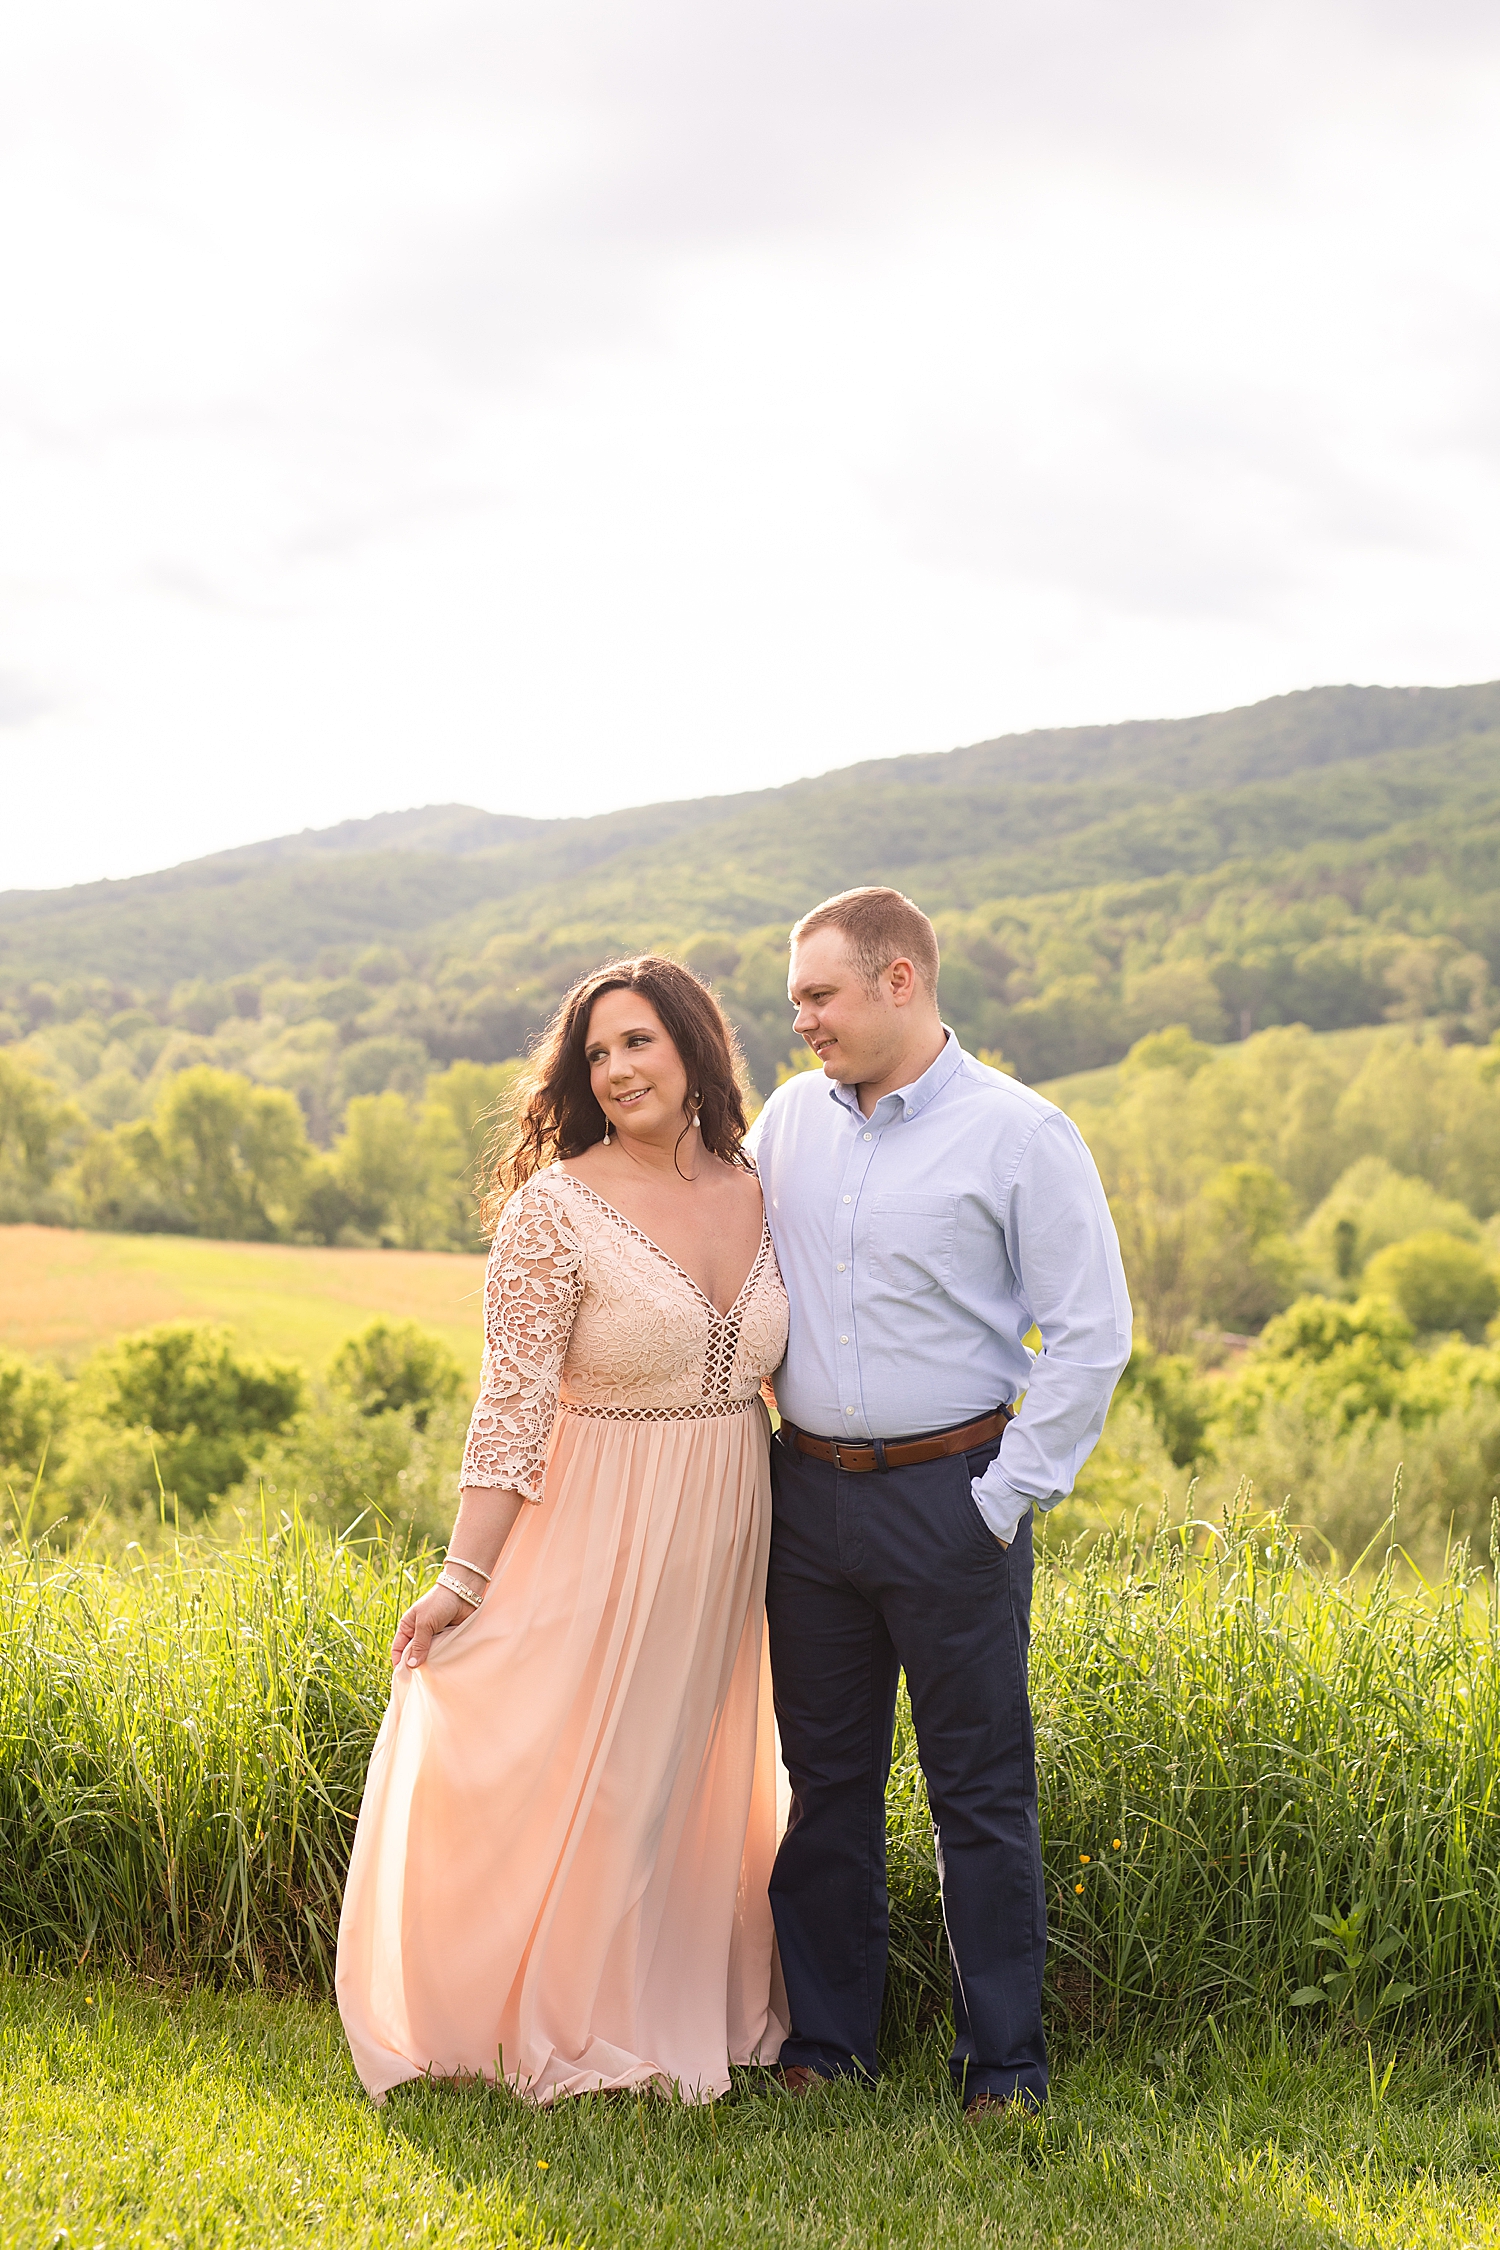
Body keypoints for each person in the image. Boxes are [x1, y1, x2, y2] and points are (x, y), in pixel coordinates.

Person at [336, 956, 790, 2105]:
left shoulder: (762, 1183)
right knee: (590, 1772)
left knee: (687, 1774)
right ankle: (550, 2010)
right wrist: (462, 1574)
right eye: (597, 1053)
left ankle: (673, 1994)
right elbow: (513, 1400)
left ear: (695, 1048)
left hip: (735, 1515)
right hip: (597, 1518)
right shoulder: (556, 1208)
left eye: (638, 1041)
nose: (618, 1068)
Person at [749, 886, 1131, 2115]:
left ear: (899, 980)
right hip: (805, 1502)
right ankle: (828, 2046)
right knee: (826, 1786)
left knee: (978, 1790)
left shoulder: (1021, 1134)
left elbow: (1091, 1336)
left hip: (953, 1502)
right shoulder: (788, 1123)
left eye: (820, 993)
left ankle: (1005, 2066)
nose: (800, 1017)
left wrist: (1001, 1498)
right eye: (797, 997)